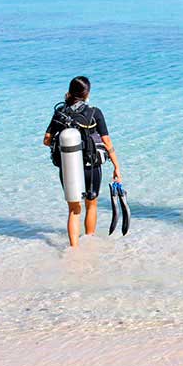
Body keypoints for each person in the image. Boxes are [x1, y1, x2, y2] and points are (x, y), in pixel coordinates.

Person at [43, 76, 123, 246]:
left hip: (68, 167)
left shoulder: (60, 113)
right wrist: (117, 166)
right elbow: (107, 142)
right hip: (90, 167)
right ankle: (89, 242)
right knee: (91, 204)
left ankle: (74, 248)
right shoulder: (95, 112)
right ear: (87, 93)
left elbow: (46, 140)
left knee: (74, 209)